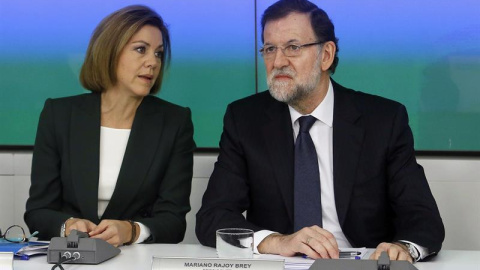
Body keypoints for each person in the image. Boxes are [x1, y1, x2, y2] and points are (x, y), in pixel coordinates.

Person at [196, 0, 444, 263]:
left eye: (292, 47)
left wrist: (403, 248)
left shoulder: (383, 120)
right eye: (269, 49)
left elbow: (423, 218)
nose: (278, 61)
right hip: (279, 265)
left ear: (326, 55)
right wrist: (275, 241)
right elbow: (213, 217)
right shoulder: (245, 119)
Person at [24, 5, 195, 247]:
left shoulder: (175, 122)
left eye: (158, 53)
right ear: (110, 51)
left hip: (134, 259)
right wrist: (68, 225)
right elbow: (38, 212)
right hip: (71, 257)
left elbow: (173, 221)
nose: (153, 63)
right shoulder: (59, 115)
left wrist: (132, 230)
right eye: (140, 50)